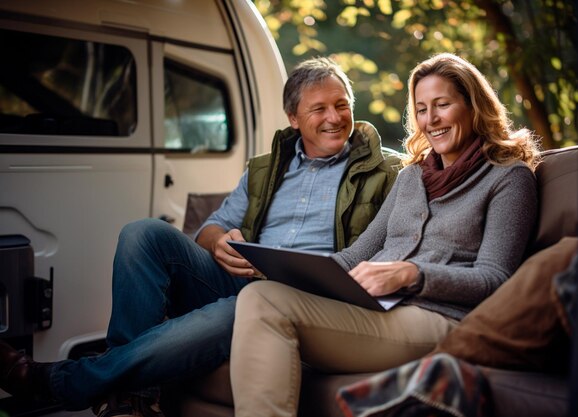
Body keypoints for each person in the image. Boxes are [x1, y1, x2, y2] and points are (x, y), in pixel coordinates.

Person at [0, 57, 399, 416]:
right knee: (143, 234)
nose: (334, 117)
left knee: (246, 305)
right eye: (319, 108)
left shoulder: (387, 173)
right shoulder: (264, 169)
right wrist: (217, 243)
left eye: (342, 105)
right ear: (293, 118)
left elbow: (393, 247)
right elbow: (209, 228)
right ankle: (134, 396)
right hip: (244, 277)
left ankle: (69, 385)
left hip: (306, 300)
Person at [228, 52, 542, 417]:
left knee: (265, 305)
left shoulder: (508, 177)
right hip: (372, 308)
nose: (431, 120)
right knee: (260, 293)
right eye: (422, 109)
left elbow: (495, 279)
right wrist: (282, 268)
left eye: (442, 105)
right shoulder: (412, 177)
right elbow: (355, 254)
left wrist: (413, 274)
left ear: (473, 106)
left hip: (439, 318)